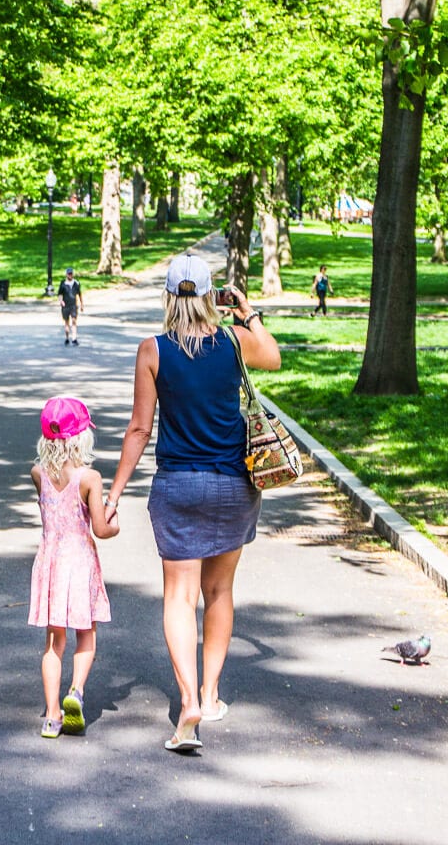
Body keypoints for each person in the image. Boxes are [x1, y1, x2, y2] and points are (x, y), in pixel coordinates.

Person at [104, 252, 281, 753]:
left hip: (178, 487)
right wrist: (247, 313)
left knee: (180, 597)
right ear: (210, 295)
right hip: (232, 485)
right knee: (218, 592)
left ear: (167, 295)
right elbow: (273, 356)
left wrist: (114, 494)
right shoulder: (233, 340)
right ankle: (211, 692)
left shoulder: (152, 350)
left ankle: (187, 704)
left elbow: (139, 429)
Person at [29, 396, 119, 739]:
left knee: (53, 643)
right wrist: (115, 522)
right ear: (81, 438)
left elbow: (50, 515)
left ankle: (52, 716)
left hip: (50, 563)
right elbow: (100, 528)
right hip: (80, 563)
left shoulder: (37, 473)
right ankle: (75, 693)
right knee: (87, 636)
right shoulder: (89, 478)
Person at [57, 267, 84, 346]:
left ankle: (74, 338)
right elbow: (60, 294)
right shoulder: (63, 283)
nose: (70, 275)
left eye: (71, 273)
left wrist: (82, 304)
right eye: (69, 274)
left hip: (73, 305)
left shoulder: (76, 283)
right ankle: (67, 338)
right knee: (66, 322)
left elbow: (79, 294)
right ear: (66, 274)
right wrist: (61, 301)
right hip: (65, 306)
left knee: (74, 321)